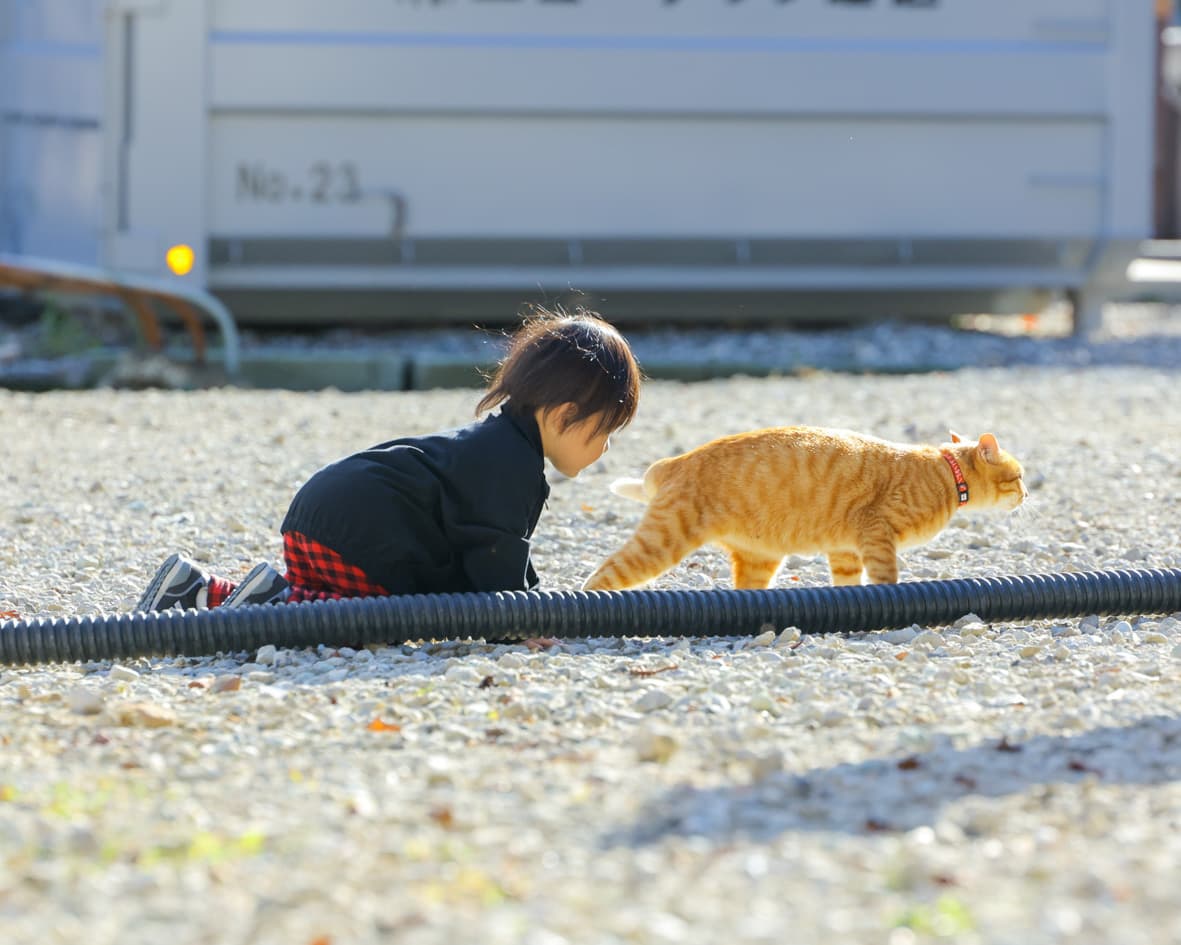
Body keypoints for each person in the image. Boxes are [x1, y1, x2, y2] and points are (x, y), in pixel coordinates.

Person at [135, 307, 642, 613]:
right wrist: (522, 621)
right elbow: (496, 560)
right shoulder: (511, 464)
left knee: (337, 608)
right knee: (376, 619)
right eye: (605, 432)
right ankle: (275, 605)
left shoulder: (499, 445)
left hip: (328, 515)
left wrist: (536, 595)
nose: (605, 449)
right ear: (564, 416)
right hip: (358, 530)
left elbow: (507, 553)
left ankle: (199, 592)